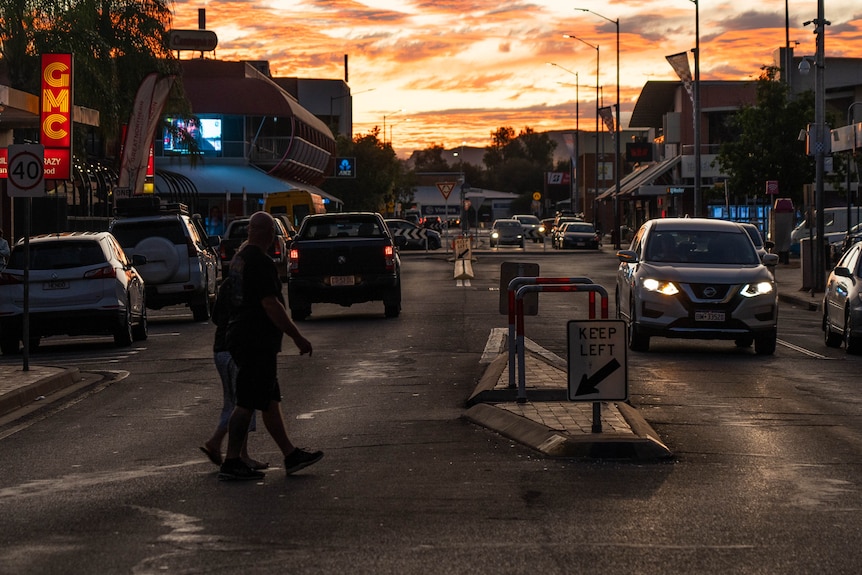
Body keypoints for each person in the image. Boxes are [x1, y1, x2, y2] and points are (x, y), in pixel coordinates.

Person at [219, 211, 322, 481]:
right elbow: (270, 304)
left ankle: (290, 455)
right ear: (268, 234)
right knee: (247, 401)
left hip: (242, 333)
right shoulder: (259, 261)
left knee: (269, 400)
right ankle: (231, 462)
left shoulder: (239, 259)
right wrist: (297, 336)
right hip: (255, 339)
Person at [199, 277, 267, 471]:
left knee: (233, 401)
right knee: (245, 402)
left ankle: (222, 444)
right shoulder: (250, 284)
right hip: (236, 349)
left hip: (220, 349)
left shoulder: (228, 283)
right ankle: (239, 454)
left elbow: (215, 317)